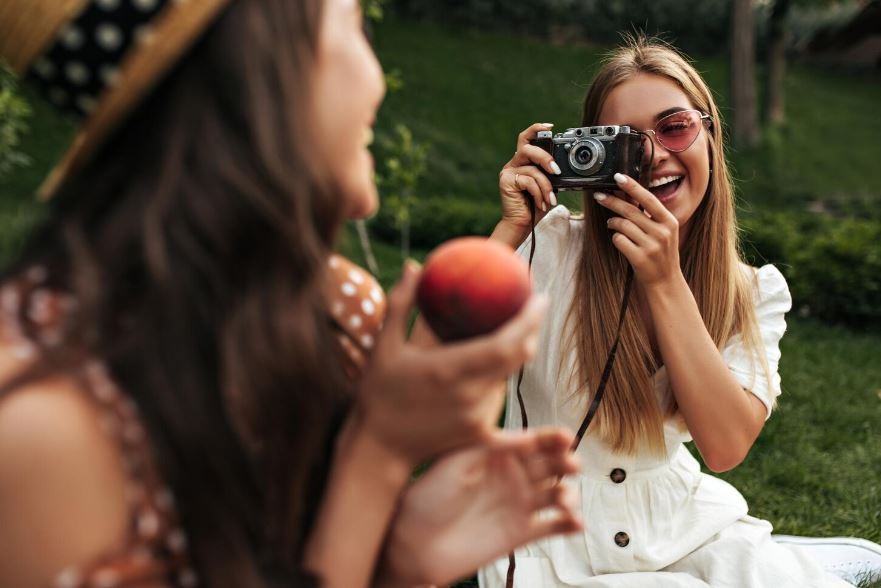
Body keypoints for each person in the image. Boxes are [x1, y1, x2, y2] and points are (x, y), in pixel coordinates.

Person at [0, 1, 585, 587]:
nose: (379, 79)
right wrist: (378, 456)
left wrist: (398, 560)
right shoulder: (37, 428)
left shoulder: (334, 310)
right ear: (259, 63)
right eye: (355, 22)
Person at [476, 37, 880, 587]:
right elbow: (434, 372)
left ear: (710, 135)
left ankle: (788, 561)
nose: (654, 157)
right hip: (550, 543)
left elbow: (726, 445)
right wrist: (509, 233)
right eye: (626, 142)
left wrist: (665, 281)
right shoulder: (546, 251)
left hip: (680, 522)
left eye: (674, 128)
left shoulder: (751, 291)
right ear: (586, 153)